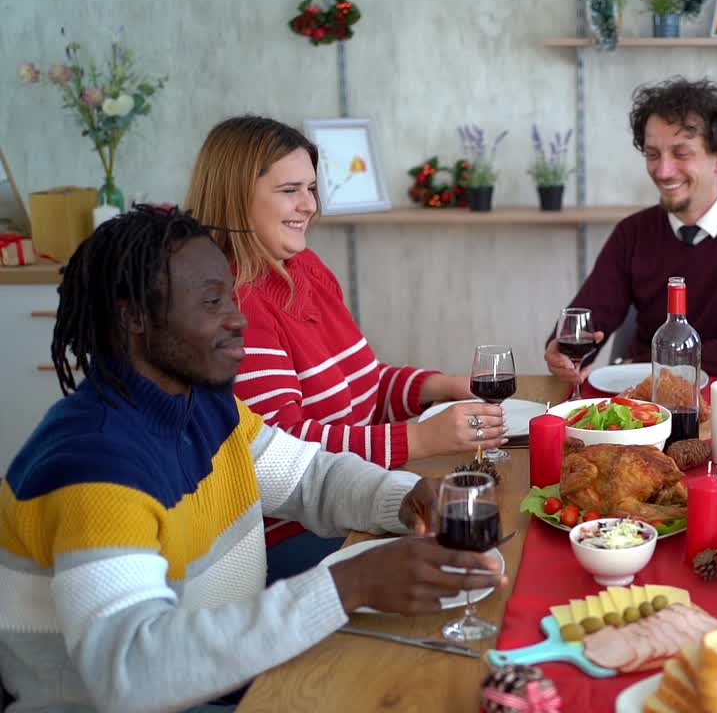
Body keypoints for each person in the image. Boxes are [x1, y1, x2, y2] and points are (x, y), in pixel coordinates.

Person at [0, 207, 505, 712]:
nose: (238, 319)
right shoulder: (96, 466)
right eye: (212, 302)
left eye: (232, 298)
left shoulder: (203, 402)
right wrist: (353, 583)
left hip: (226, 677)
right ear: (134, 316)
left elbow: (310, 476)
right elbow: (132, 670)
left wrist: (403, 497)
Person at [186, 116, 505, 574]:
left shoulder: (305, 268)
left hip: (354, 502)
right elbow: (286, 454)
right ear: (237, 196)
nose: (309, 205)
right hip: (290, 536)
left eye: (311, 188)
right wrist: (420, 437)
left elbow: (365, 384)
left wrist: (446, 385)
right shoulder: (233, 306)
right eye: (290, 190)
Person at [544, 77, 717, 382]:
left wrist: (638, 365)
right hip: (644, 404)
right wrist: (559, 352)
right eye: (653, 154)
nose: (663, 171)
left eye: (681, 153)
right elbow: (582, 325)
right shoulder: (632, 233)